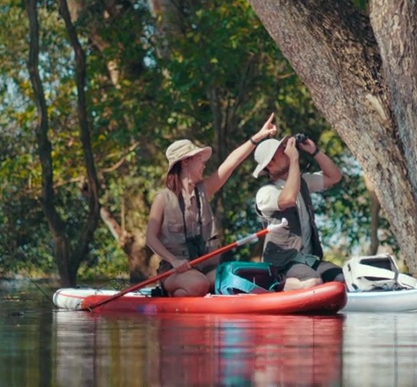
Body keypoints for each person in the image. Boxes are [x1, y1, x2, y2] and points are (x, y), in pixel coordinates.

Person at [145, 113, 278, 297]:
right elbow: (150, 238)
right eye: (200, 160)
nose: (204, 165)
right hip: (175, 272)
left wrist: (258, 137)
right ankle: (175, 295)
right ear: (186, 162)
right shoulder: (162, 199)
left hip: (206, 271)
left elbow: (231, 163)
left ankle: (191, 295)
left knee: (232, 277)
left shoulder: (204, 190)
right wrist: (174, 261)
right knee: (198, 284)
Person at [251, 132, 344, 289]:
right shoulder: (265, 193)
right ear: (270, 165)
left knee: (341, 280)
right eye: (281, 151)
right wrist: (294, 159)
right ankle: (275, 285)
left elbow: (334, 177)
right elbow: (288, 199)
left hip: (308, 259)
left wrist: (314, 151)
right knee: (313, 283)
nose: (286, 150)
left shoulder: (303, 182)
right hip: (282, 263)